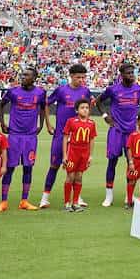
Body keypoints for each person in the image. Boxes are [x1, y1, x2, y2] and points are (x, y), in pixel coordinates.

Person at [97, 62, 140, 207]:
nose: (131, 75)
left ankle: (128, 195)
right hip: (116, 130)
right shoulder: (113, 89)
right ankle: (109, 196)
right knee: (112, 161)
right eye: (128, 73)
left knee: (131, 163)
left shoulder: (138, 89)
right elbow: (98, 101)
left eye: (133, 72)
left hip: (132, 131)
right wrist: (105, 116)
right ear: (121, 74)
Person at [42, 63, 92, 209]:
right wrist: (48, 123)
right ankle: (45, 197)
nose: (81, 80)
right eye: (78, 77)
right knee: (55, 165)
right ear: (71, 76)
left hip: (78, 139)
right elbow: (46, 104)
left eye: (83, 77)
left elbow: (87, 108)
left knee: (77, 170)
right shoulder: (61, 90)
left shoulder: (86, 91)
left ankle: (77, 198)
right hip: (61, 134)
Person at [0, 67, 46, 212]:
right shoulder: (13, 92)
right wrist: (2, 123)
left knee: (28, 168)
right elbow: (1, 105)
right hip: (14, 135)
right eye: (23, 74)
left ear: (34, 78)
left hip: (30, 136)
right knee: (10, 168)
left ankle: (24, 201)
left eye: (26, 75)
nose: (23, 77)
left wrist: (41, 124)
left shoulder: (40, 92)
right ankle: (4, 202)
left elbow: (43, 108)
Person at [61, 98, 97, 212]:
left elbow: (91, 139)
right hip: (73, 152)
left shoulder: (91, 123)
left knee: (79, 177)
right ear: (77, 110)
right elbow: (65, 137)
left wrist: (90, 155)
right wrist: (64, 156)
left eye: (87, 108)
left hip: (84, 153)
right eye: (82, 108)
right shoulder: (71, 121)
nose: (85, 110)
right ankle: (67, 203)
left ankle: (76, 202)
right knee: (70, 176)